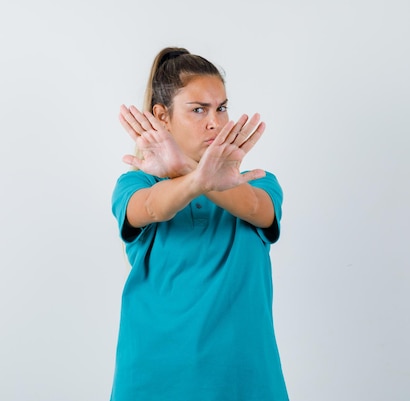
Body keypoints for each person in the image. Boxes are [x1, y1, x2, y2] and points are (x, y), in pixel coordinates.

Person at [110, 47, 289, 401]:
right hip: (154, 382)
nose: (216, 122)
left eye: (221, 108)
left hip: (246, 382)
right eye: (198, 110)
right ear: (162, 117)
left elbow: (257, 209)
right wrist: (189, 176)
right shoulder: (136, 184)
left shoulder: (257, 182)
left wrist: (188, 171)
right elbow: (150, 208)